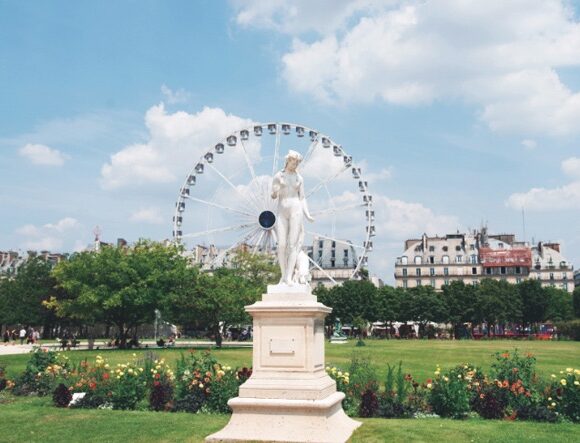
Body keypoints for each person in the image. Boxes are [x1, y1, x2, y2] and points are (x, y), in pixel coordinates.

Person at [271, 150, 315, 285]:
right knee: (281, 245)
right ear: (287, 161)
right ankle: (284, 276)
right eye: (293, 162)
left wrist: (307, 214)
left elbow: (302, 198)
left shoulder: (299, 178)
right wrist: (276, 190)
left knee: (293, 246)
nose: (295, 165)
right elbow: (273, 196)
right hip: (282, 211)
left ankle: (289, 277)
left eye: (297, 163)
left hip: (296, 210)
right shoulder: (278, 176)